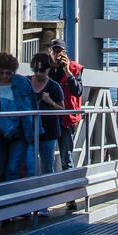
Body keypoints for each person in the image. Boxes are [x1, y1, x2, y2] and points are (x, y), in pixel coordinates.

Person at [0, 52, 37, 186]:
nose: (4, 76)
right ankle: (4, 200)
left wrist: (33, 131)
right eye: (1, 73)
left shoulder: (23, 83)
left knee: (13, 169)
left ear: (13, 72)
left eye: (8, 73)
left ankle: (11, 201)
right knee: (0, 169)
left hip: (19, 132)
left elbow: (31, 108)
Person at [29, 52, 68, 215]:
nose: (39, 74)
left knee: (46, 166)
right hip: (29, 131)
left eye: (42, 71)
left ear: (48, 70)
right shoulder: (25, 82)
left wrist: (50, 102)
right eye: (36, 70)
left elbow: (63, 110)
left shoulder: (54, 87)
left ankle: (44, 204)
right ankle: (28, 204)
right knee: (29, 167)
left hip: (49, 132)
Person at [47, 39, 84, 177]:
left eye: (59, 51)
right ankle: (49, 189)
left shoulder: (73, 68)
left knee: (66, 156)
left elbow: (78, 91)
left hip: (65, 118)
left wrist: (68, 73)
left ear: (64, 52)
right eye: (54, 51)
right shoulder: (46, 68)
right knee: (47, 156)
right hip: (48, 117)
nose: (57, 55)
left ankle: (69, 188)